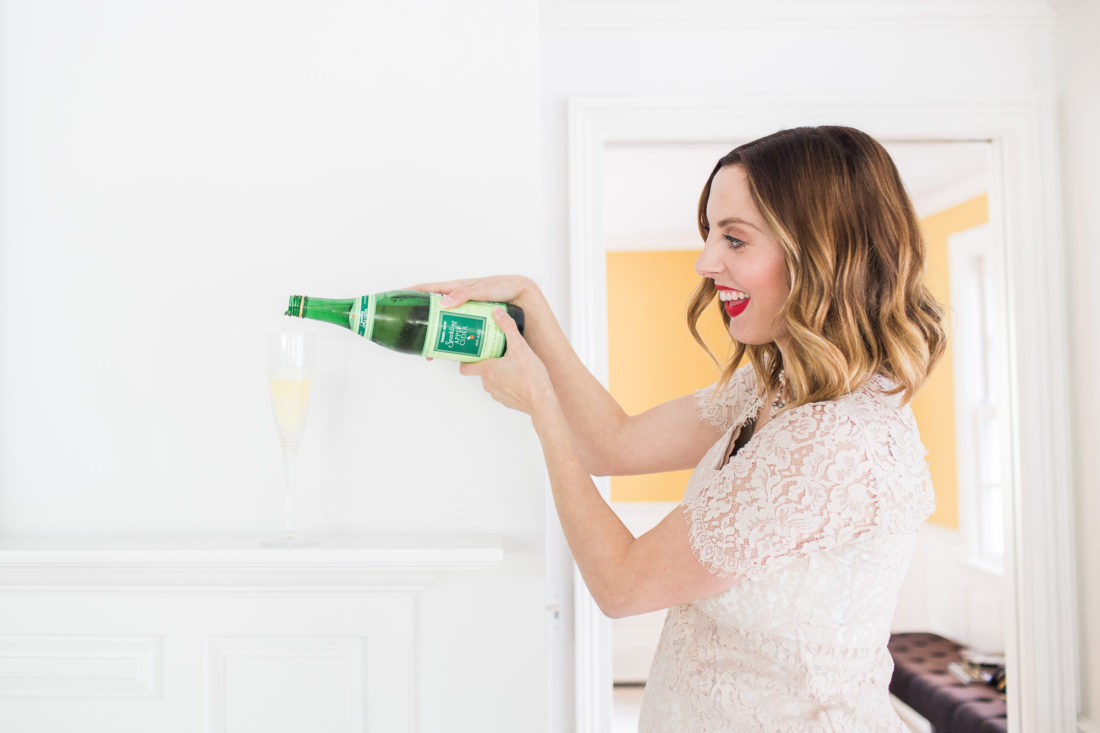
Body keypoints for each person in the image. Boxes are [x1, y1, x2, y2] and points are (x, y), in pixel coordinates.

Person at [414, 125, 946, 731]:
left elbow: (622, 585)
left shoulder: (834, 440)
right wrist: (533, 309)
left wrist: (540, 403)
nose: (705, 262)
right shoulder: (776, 388)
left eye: (735, 239)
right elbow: (613, 443)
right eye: (710, 234)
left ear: (825, 251)